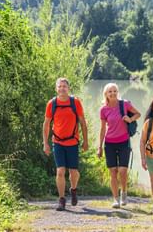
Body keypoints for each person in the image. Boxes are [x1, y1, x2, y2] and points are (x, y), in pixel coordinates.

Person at [43, 77, 88, 211]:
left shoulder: (75, 102)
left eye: (64, 86)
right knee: (60, 171)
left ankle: (73, 189)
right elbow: (46, 124)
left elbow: (83, 123)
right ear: (56, 89)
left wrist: (86, 141)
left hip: (73, 142)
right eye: (60, 86)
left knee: (73, 172)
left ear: (68, 88)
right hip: (57, 142)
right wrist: (45, 143)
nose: (62, 88)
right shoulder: (52, 104)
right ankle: (61, 199)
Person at [97, 83, 141, 208]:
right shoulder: (103, 109)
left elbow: (138, 114)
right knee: (113, 171)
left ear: (118, 92)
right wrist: (99, 147)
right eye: (110, 91)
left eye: (115, 91)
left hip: (123, 142)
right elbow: (102, 129)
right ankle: (116, 199)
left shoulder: (124, 104)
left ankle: (124, 193)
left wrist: (130, 119)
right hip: (109, 143)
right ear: (106, 94)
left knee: (122, 171)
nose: (113, 93)